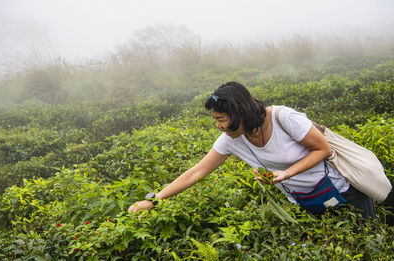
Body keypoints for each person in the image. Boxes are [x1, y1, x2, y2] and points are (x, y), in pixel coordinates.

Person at [129, 81, 391, 220]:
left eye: (221, 118)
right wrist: (154, 200)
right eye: (215, 120)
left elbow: (321, 149)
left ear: (239, 112)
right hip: (309, 204)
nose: (219, 126)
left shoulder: (281, 117)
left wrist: (286, 173)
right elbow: (197, 171)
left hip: (345, 192)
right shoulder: (232, 138)